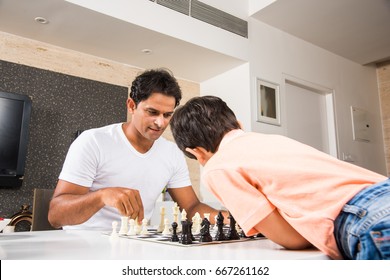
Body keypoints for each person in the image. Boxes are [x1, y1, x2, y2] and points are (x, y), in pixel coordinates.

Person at [169, 95, 390, 260]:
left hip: (365, 219)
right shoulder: (272, 140)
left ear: (196, 152)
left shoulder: (216, 167)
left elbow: (291, 240)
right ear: (239, 126)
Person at [48, 69, 223, 231]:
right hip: (83, 244)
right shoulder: (93, 141)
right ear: (131, 106)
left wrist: (230, 219)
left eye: (167, 115)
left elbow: (192, 207)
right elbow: (56, 216)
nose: (160, 123)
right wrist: (102, 196)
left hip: (136, 243)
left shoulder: (172, 153)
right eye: (152, 112)